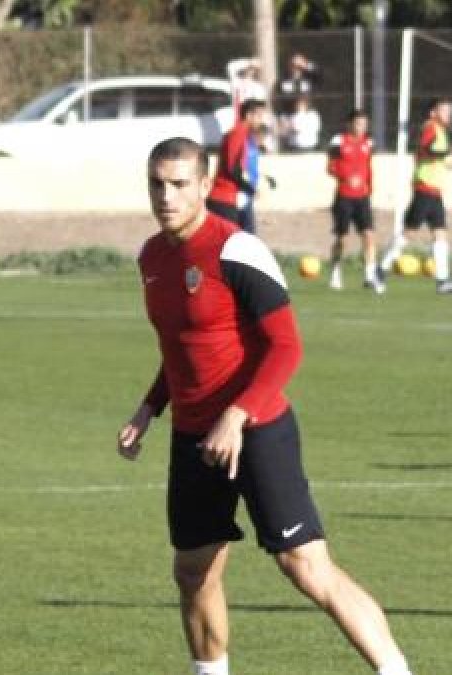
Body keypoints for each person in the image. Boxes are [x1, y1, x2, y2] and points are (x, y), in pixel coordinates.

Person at [118, 137, 413, 675]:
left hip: (258, 431)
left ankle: (396, 670)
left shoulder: (236, 249)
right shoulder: (153, 257)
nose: (167, 195)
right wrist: (148, 409)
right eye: (157, 183)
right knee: (194, 571)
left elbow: (286, 346)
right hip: (194, 438)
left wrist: (237, 414)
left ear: (206, 185)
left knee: (305, 566)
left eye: (180, 183)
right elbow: (183, 348)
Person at [377, 98, 452, 294]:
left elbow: (438, 159)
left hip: (434, 190)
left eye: (449, 111)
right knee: (410, 231)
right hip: (424, 188)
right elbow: (427, 150)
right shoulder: (430, 127)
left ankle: (442, 281)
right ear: (433, 112)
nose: (448, 114)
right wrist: (449, 152)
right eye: (444, 110)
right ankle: (381, 269)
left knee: (440, 233)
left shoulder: (441, 131)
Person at [326, 109, 379, 291]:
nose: (361, 128)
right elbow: (330, 167)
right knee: (343, 238)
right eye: (358, 124)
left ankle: (370, 276)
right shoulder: (338, 141)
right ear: (349, 124)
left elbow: (368, 166)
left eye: (364, 124)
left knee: (369, 235)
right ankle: (335, 270)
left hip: (362, 197)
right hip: (344, 196)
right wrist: (347, 176)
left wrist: (370, 186)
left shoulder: (368, 143)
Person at [207, 99, 272, 233]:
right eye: (259, 116)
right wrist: (249, 189)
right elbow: (233, 169)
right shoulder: (238, 133)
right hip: (224, 198)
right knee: (229, 241)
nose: (261, 120)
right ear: (248, 115)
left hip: (230, 197)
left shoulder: (243, 134)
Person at [277, 52, 320, 118]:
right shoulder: (283, 82)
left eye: (298, 67)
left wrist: (305, 64)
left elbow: (319, 74)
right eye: (293, 65)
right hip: (289, 117)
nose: (296, 69)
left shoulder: (309, 80)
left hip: (308, 115)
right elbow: (279, 101)